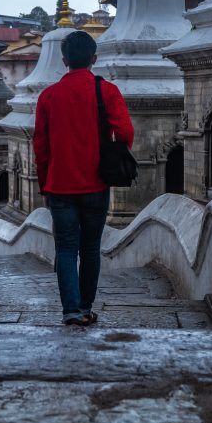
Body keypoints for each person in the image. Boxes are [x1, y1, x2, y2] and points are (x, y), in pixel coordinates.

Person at [33, 30, 134, 327]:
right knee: (90, 248)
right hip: (96, 184)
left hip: (59, 186)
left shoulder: (48, 96)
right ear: (94, 59)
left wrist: (44, 184)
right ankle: (86, 308)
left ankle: (71, 311)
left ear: (64, 60)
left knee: (66, 249)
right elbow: (125, 132)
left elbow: (40, 146)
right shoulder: (107, 91)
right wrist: (112, 152)